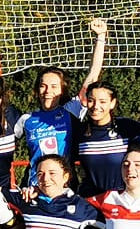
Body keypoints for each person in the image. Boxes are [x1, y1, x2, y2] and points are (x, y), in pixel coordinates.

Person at [15, 17, 108, 165]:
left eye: (54, 86)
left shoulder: (70, 110)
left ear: (62, 90)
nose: (48, 91)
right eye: (43, 85)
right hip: (35, 186)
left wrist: (101, 37)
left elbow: (92, 76)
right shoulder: (26, 119)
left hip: (64, 186)